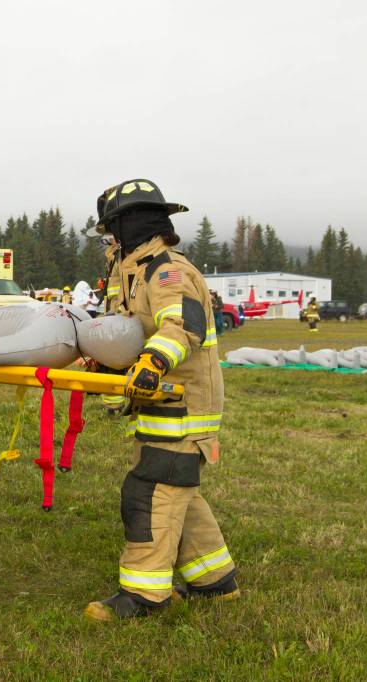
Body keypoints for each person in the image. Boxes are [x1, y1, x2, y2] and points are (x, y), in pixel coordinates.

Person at [84, 179, 237, 621]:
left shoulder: (167, 272)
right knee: (178, 489)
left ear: (131, 226)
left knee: (150, 491)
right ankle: (215, 581)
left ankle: (144, 595)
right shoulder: (135, 270)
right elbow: (136, 331)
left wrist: (150, 364)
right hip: (163, 405)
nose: (109, 243)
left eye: (112, 231)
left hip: (184, 407)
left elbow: (180, 328)